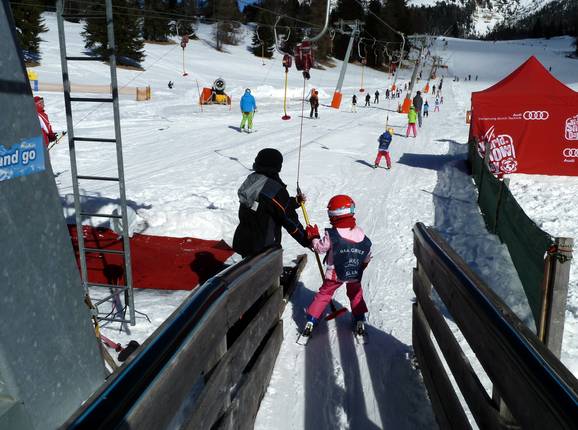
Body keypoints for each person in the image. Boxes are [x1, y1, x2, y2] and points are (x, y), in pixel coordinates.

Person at [300, 195, 372, 338]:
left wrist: (314, 237)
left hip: (335, 274)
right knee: (355, 294)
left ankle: (311, 321)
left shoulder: (331, 234)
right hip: (354, 272)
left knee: (325, 294)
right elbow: (367, 253)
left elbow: (320, 248)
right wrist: (361, 267)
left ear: (333, 216)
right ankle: (359, 319)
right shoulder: (360, 233)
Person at [232, 148, 310, 258]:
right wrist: (307, 239)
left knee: (249, 264)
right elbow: (288, 219)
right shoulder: (275, 189)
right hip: (264, 248)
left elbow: (267, 204)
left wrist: (293, 202)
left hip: (243, 240)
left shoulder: (252, 180)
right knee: (263, 268)